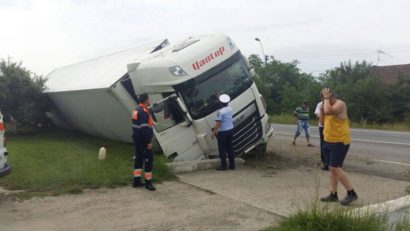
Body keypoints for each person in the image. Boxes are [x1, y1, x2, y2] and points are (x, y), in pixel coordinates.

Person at [320, 88, 358, 205]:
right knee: (331, 168)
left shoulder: (340, 104)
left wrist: (326, 100)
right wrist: (321, 109)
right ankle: (333, 194)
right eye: (322, 97)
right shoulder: (326, 106)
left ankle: (351, 193)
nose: (324, 99)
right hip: (328, 140)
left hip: (339, 141)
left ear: (332, 96)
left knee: (335, 167)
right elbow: (322, 121)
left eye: (326, 97)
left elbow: (329, 112)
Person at [131, 93, 156, 191]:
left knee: (139, 159)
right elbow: (144, 129)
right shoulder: (144, 112)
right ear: (146, 100)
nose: (149, 100)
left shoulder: (136, 110)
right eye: (148, 99)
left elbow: (136, 127)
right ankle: (148, 183)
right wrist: (148, 142)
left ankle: (136, 181)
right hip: (143, 141)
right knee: (149, 160)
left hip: (137, 139)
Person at [211, 94, 235, 171]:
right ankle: (232, 165)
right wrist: (219, 97)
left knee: (222, 149)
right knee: (230, 148)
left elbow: (218, 123)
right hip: (230, 130)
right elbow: (223, 102)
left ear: (220, 103)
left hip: (223, 132)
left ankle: (223, 166)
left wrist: (213, 133)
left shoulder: (220, 112)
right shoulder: (230, 108)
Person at [314, 93, 328, 171]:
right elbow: (317, 114)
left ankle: (330, 161)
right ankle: (324, 161)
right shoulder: (320, 105)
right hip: (322, 127)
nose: (323, 98)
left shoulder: (332, 104)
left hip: (331, 127)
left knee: (330, 144)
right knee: (323, 144)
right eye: (323, 97)